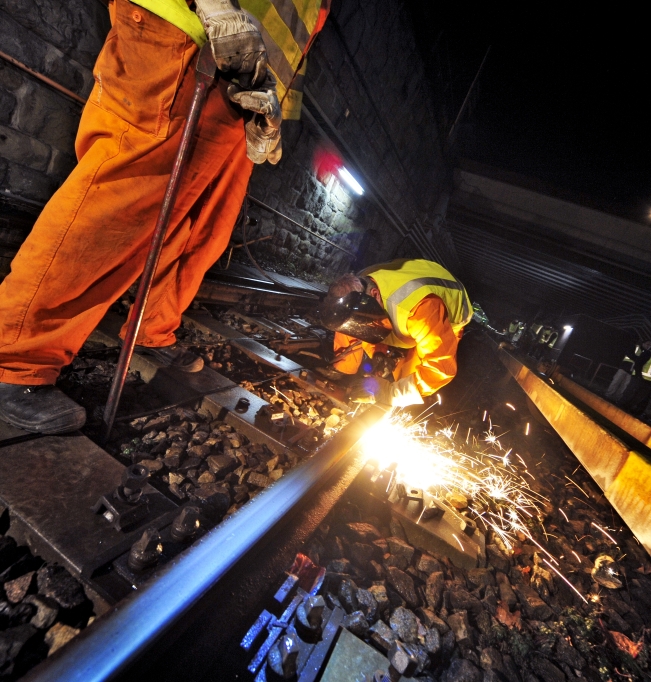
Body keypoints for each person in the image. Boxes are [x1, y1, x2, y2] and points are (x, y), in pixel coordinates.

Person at [0, 0, 328, 435]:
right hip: (189, 36)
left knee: (199, 228)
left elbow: (295, 32)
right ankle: (15, 359)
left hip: (246, 86)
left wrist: (277, 107)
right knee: (114, 205)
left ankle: (150, 331)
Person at [320, 259, 473, 407]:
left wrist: (388, 393)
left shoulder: (421, 310)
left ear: (375, 294)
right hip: (404, 299)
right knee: (351, 322)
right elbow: (353, 326)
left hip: (448, 311)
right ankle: (344, 369)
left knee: (407, 379)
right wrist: (377, 353)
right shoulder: (359, 288)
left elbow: (440, 368)